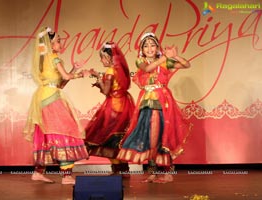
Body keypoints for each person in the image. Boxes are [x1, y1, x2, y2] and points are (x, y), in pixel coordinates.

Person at [117, 32, 192, 183]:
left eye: (153, 45)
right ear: (142, 49)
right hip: (146, 104)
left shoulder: (164, 62)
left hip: (162, 103)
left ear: (158, 47)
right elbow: (147, 68)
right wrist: (165, 57)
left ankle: (167, 171)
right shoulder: (141, 61)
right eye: (146, 46)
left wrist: (175, 56)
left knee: (162, 136)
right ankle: (152, 172)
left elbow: (186, 64)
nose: (150, 48)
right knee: (148, 137)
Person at [23, 27, 89, 185]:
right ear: (51, 45)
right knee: (65, 130)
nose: (61, 43)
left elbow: (60, 84)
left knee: (47, 133)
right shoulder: (53, 57)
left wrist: (74, 69)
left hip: (46, 96)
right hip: (52, 99)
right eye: (58, 40)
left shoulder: (43, 59)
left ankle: (38, 172)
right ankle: (66, 176)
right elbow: (65, 77)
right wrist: (82, 74)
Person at [84, 42, 135, 176]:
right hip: (124, 106)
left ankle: (118, 170)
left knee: (107, 138)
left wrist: (99, 79)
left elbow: (107, 91)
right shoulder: (120, 70)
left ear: (108, 57)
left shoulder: (110, 71)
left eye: (102, 57)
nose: (101, 60)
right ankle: (124, 171)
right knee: (119, 139)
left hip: (113, 108)